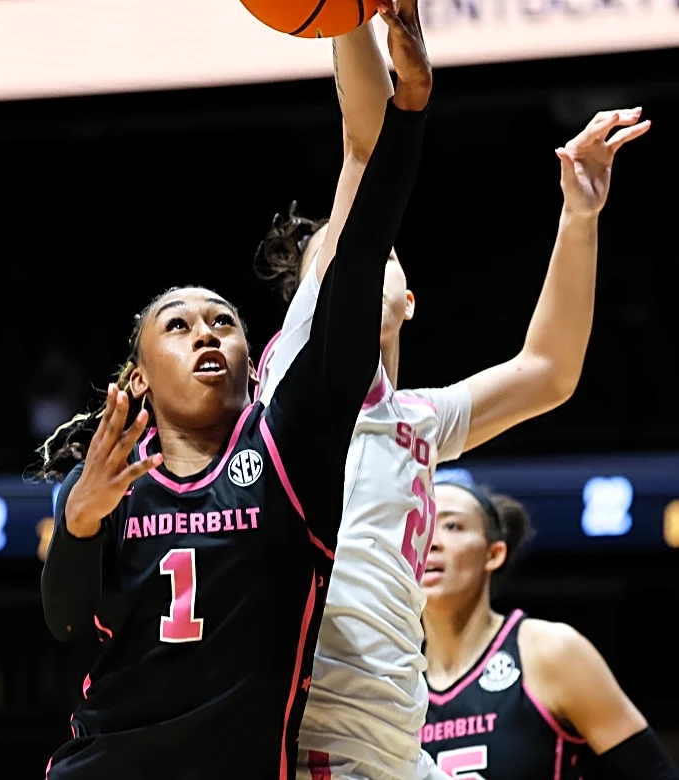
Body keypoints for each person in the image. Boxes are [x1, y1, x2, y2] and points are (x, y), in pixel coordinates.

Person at [35, 3, 431, 779]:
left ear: (257, 363)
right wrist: (78, 525)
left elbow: (358, 254)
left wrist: (410, 110)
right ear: (139, 375)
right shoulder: (106, 483)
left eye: (224, 321)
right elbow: (66, 624)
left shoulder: (291, 448)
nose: (208, 333)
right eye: (179, 326)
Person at [254, 21, 651, 780]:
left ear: (409, 299)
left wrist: (579, 217)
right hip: (313, 735)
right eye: (338, 258)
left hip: (396, 742)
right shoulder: (293, 378)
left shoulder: (417, 421)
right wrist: (347, 17)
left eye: (378, 250)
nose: (359, 259)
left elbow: (548, 371)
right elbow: (365, 143)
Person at [421, 481, 679, 780]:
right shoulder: (394, 677)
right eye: (420, 526)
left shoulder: (550, 651)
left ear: (494, 554)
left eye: (452, 526)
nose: (431, 542)